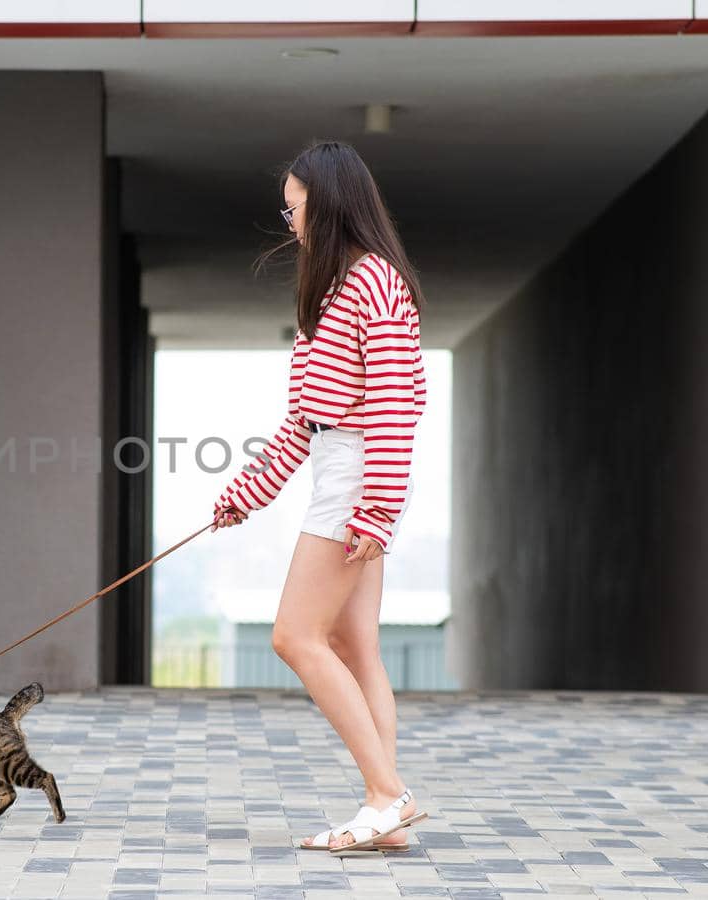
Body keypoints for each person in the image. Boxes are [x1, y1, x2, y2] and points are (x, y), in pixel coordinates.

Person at [212, 140, 430, 853]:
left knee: (293, 635)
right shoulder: (330, 287)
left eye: (294, 206)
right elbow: (305, 420)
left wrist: (377, 510)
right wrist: (247, 492)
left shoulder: (374, 281)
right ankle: (387, 813)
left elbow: (397, 404)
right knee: (352, 643)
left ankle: (385, 795)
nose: (288, 221)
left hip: (358, 478)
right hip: (346, 471)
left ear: (328, 203)